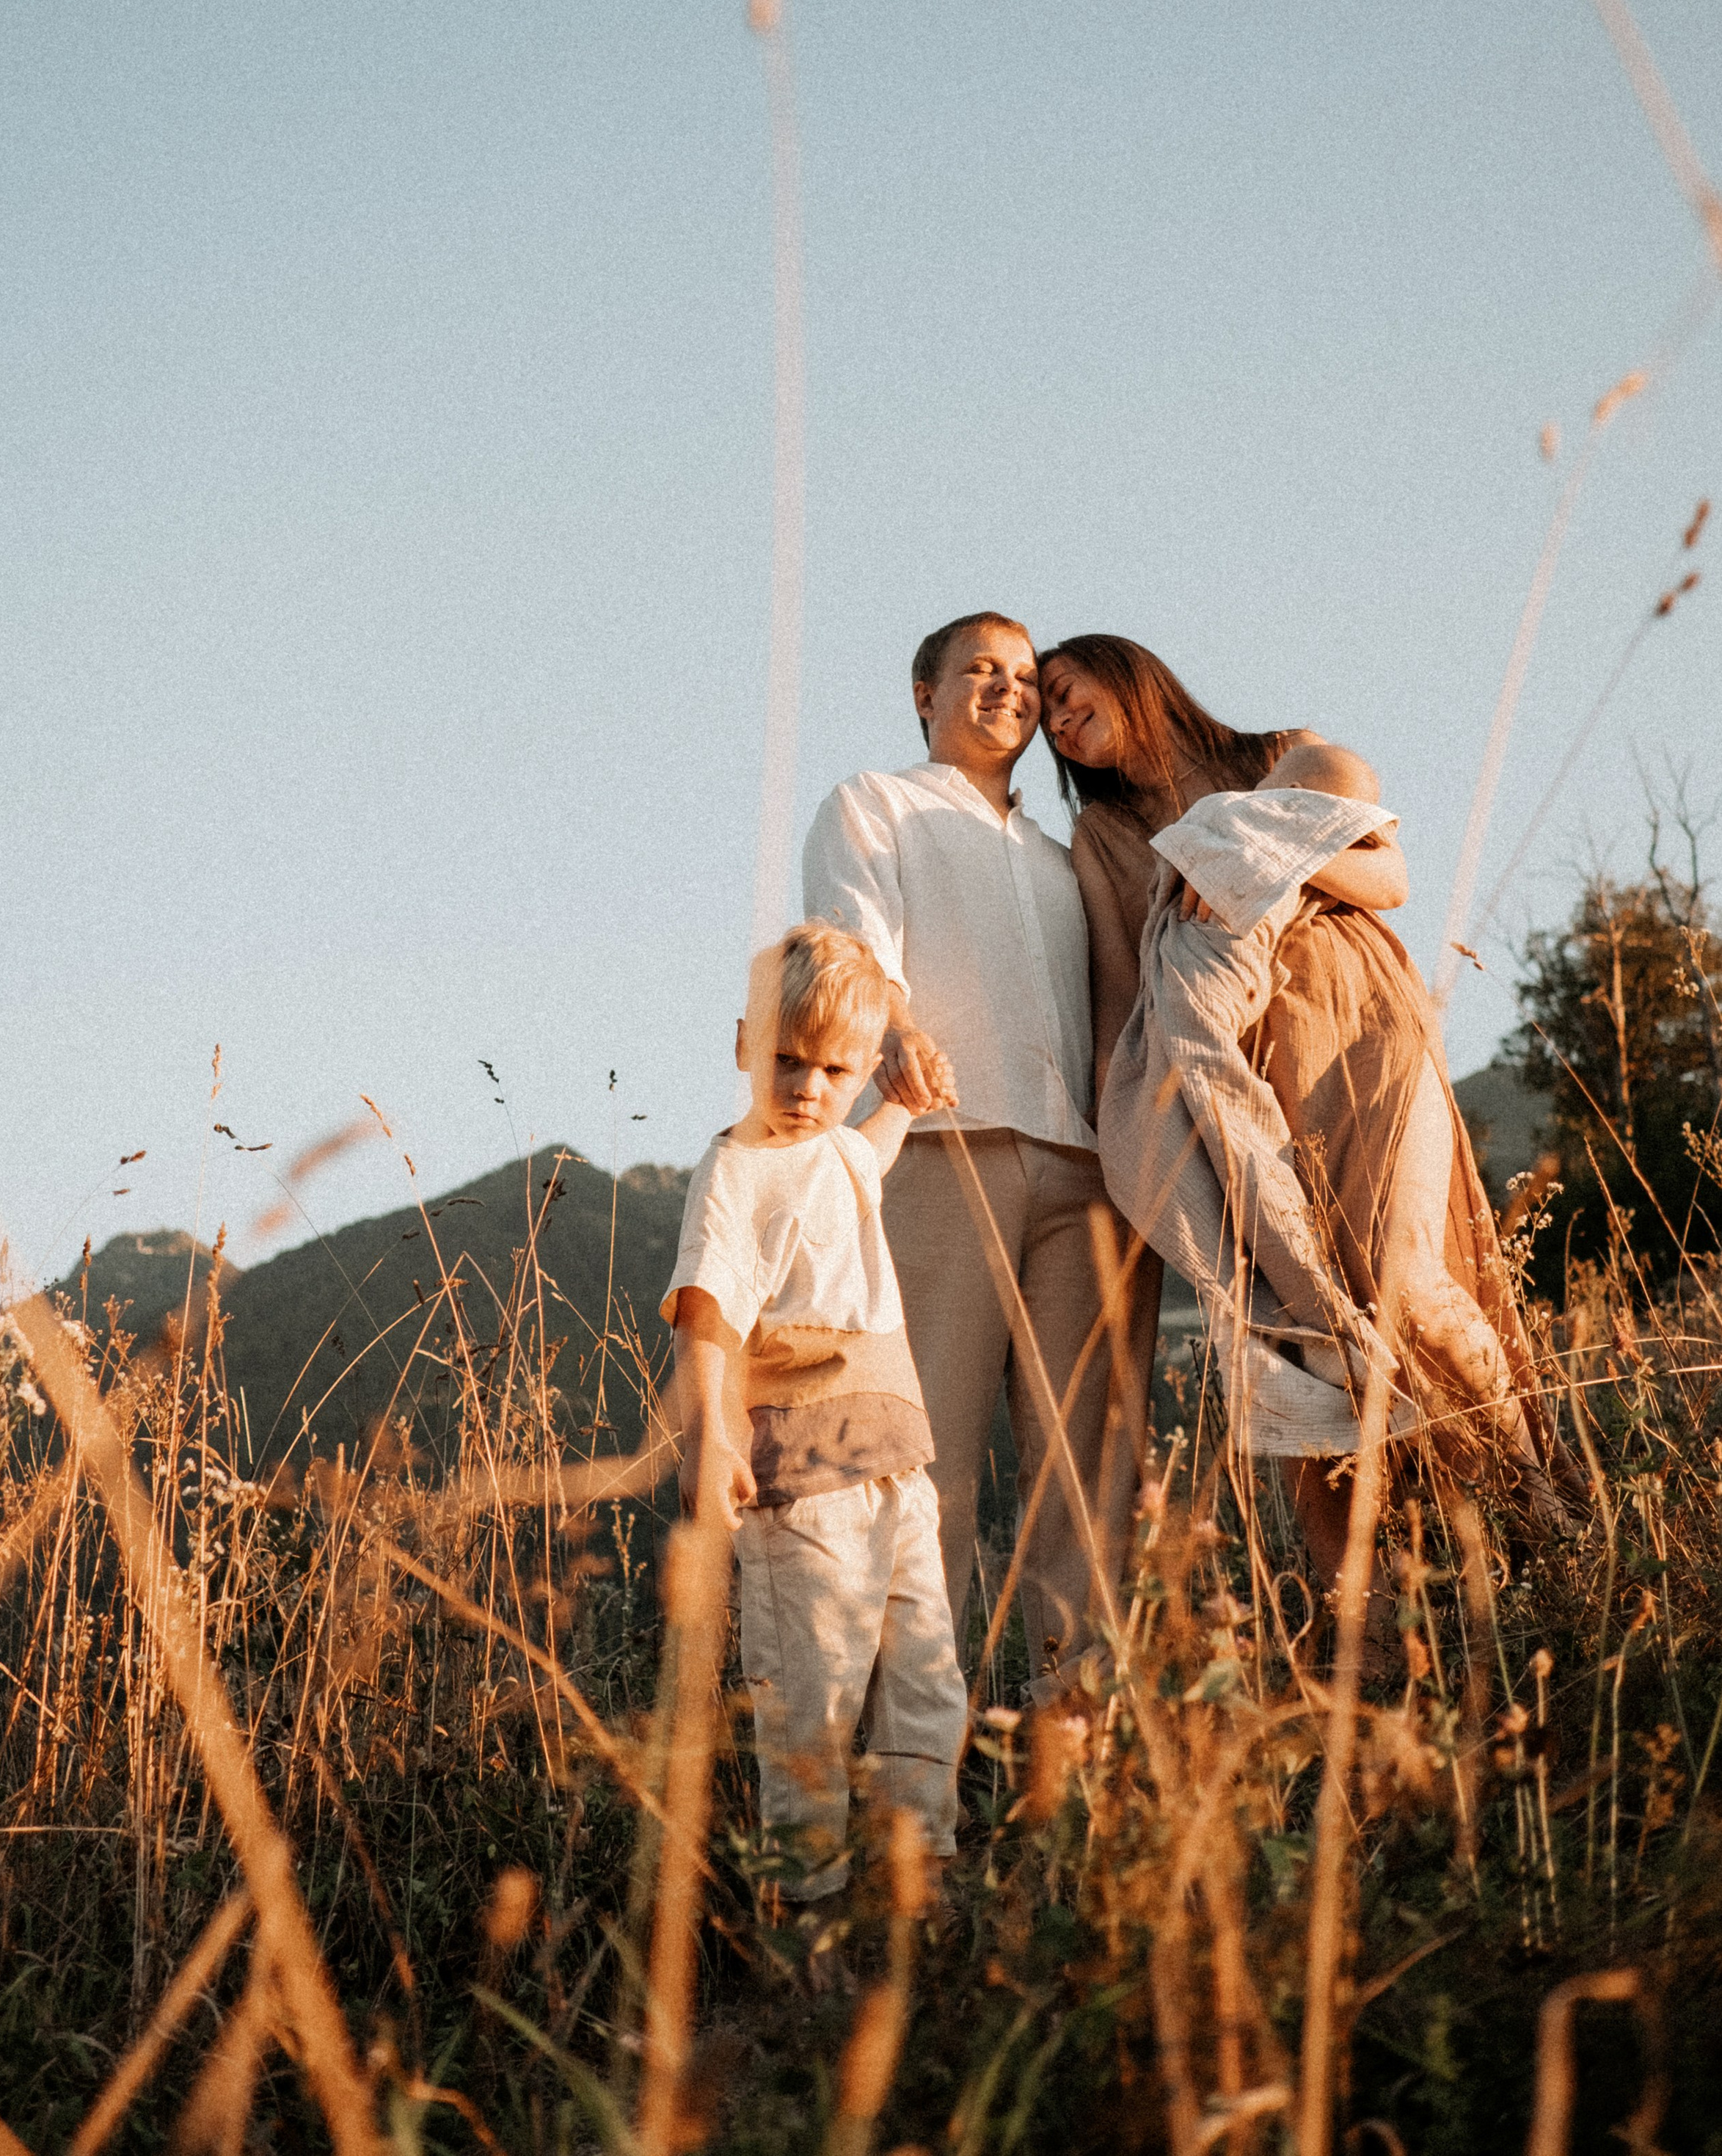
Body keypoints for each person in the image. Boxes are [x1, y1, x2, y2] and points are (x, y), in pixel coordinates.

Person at [1039, 635, 1566, 1605]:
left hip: (1357, 1029)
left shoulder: (1278, 752)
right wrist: (1129, 1124)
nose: (1060, 721)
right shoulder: (1102, 838)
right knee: (1286, 1323)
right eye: (1048, 719)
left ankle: (1542, 1526)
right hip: (1233, 1070)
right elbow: (1121, 986)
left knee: (1406, 1277)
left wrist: (1264, 859)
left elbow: (1390, 881)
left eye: (1068, 693)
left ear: (1128, 672)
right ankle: (1359, 1616)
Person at [801, 613, 1160, 1695]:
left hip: (1088, 1178)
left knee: (1087, 1468)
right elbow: (853, 940)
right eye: (981, 671)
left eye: (1024, 677)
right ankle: (914, 1755)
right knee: (927, 1466)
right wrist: (897, 1026)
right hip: (944, 1150)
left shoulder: (1066, 856)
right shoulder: (876, 803)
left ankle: (1076, 1734)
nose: (1009, 689)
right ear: (925, 693)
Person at [663, 920, 968, 1902]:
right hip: (803, 1485)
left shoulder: (837, 1146)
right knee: (815, 1705)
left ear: (861, 1069)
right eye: (786, 1062)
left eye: (833, 1071)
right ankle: (807, 1915)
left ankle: (922, 1881)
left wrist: (902, 1107)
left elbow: (861, 1165)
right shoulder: (738, 1166)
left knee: (928, 1685)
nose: (805, 1090)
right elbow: (708, 1312)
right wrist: (712, 1435)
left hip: (893, 1465)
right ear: (743, 1046)